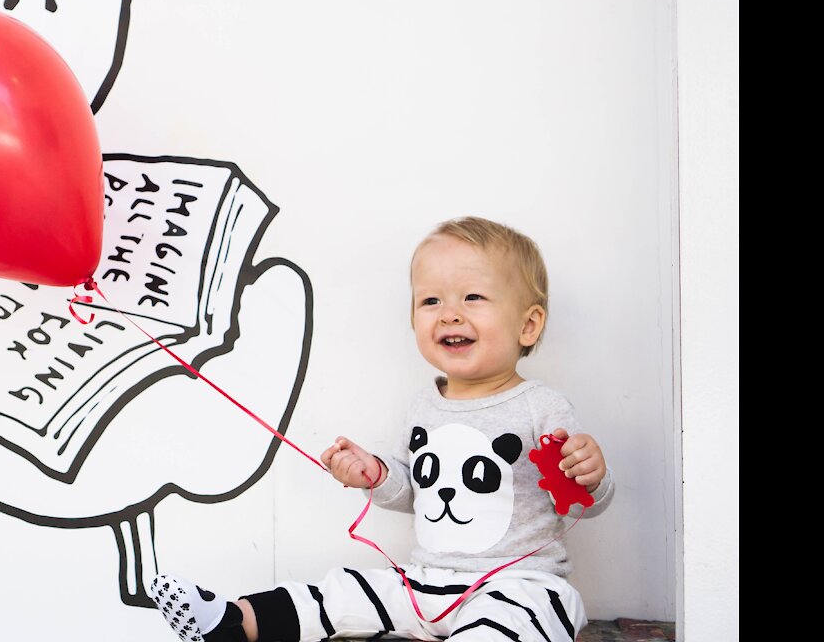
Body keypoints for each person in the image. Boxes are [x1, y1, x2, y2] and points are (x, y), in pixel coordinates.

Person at [149, 216, 615, 642]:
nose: (449, 313)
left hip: (520, 584)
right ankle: (233, 621)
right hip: (426, 583)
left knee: (511, 622)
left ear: (528, 325)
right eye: (430, 300)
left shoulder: (542, 407)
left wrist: (591, 475)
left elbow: (581, 503)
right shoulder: (424, 406)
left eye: (472, 297)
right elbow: (413, 491)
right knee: (344, 590)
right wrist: (373, 474)